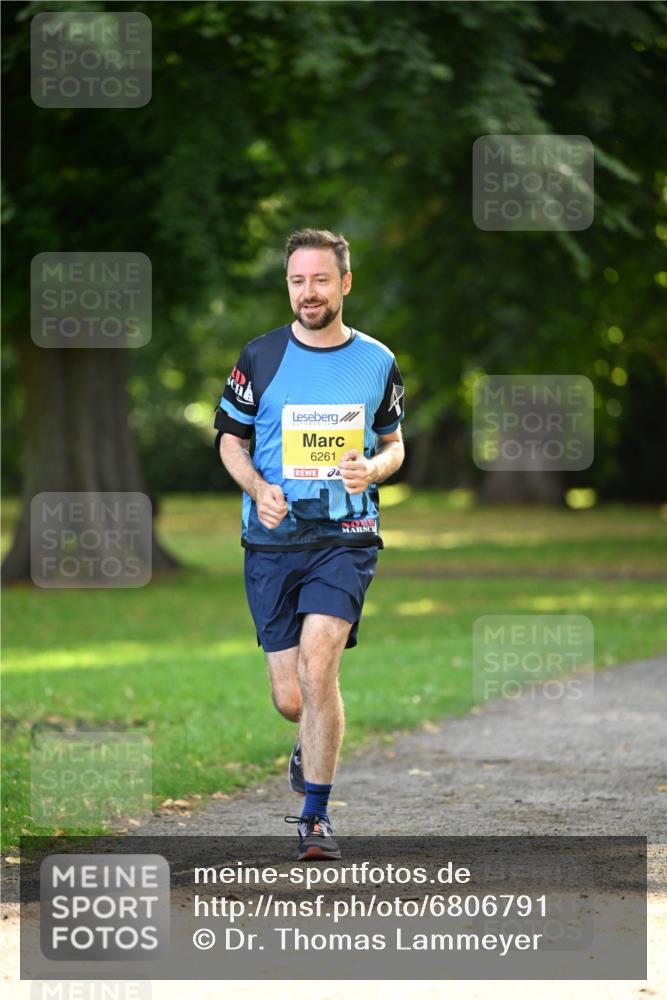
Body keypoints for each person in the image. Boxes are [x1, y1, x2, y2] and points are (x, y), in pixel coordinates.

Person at [214, 228, 405, 860]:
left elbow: (394, 443)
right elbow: (230, 442)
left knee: (320, 665)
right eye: (298, 280)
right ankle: (307, 740)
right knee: (292, 698)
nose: (309, 292)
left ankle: (315, 817)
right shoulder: (260, 357)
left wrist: (371, 470)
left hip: (345, 538)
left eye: (321, 279)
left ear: (345, 283)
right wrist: (257, 486)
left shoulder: (377, 360)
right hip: (272, 542)